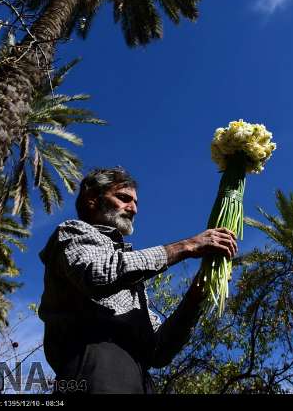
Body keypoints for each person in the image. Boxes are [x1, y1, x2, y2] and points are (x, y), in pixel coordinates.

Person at [37, 167, 238, 394]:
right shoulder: (73, 232)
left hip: (140, 382)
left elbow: (159, 351)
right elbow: (97, 274)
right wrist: (186, 246)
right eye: (123, 198)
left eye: (135, 202)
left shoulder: (132, 280)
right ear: (92, 199)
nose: (133, 209)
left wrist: (195, 295)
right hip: (93, 371)